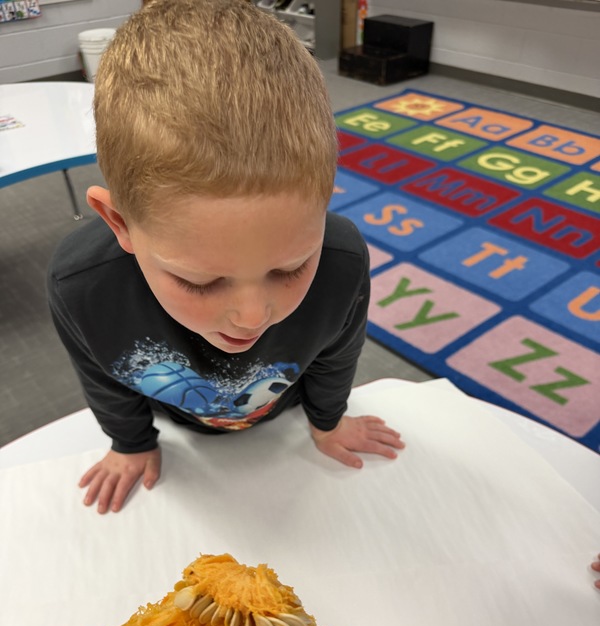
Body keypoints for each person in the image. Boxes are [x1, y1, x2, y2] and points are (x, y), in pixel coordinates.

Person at [48, 0, 405, 515]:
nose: (253, 316)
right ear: (120, 223)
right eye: (199, 281)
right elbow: (100, 373)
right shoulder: (80, 285)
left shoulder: (342, 259)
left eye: (290, 267)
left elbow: (335, 354)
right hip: (179, 439)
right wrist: (131, 442)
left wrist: (328, 421)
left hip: (284, 425)